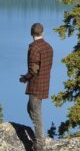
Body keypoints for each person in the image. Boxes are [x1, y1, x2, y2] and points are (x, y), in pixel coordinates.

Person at [19, 22, 53, 150]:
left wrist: (24, 78)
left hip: (36, 86)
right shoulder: (48, 47)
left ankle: (39, 144)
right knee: (31, 109)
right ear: (43, 32)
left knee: (36, 114)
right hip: (44, 83)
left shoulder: (34, 48)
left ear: (31, 34)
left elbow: (33, 69)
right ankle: (40, 138)